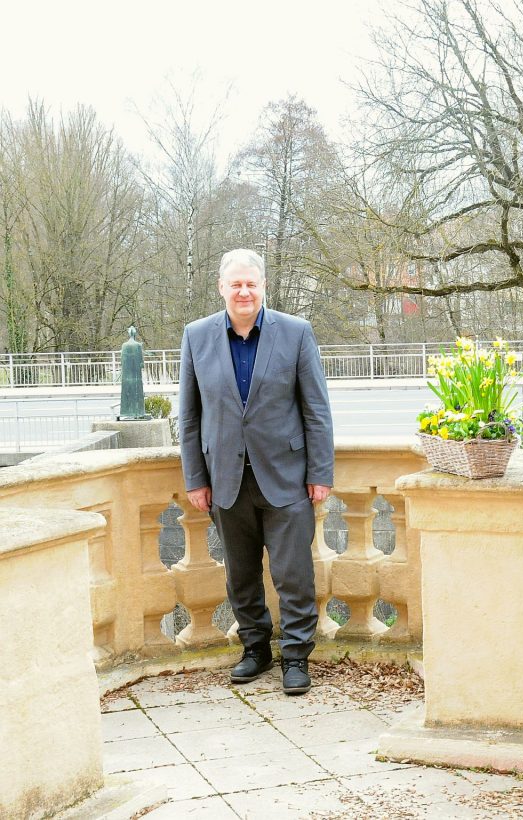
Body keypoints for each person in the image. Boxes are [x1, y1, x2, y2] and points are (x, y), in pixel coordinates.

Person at [178, 249, 334, 695]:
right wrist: (196, 478)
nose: (244, 291)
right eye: (236, 284)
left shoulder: (296, 333)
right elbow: (188, 415)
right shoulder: (196, 336)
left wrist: (320, 471)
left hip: (286, 476)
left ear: (263, 286)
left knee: (293, 573)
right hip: (225, 478)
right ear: (221, 288)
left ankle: (297, 656)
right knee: (240, 574)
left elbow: (316, 410)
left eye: (252, 283)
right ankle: (255, 650)